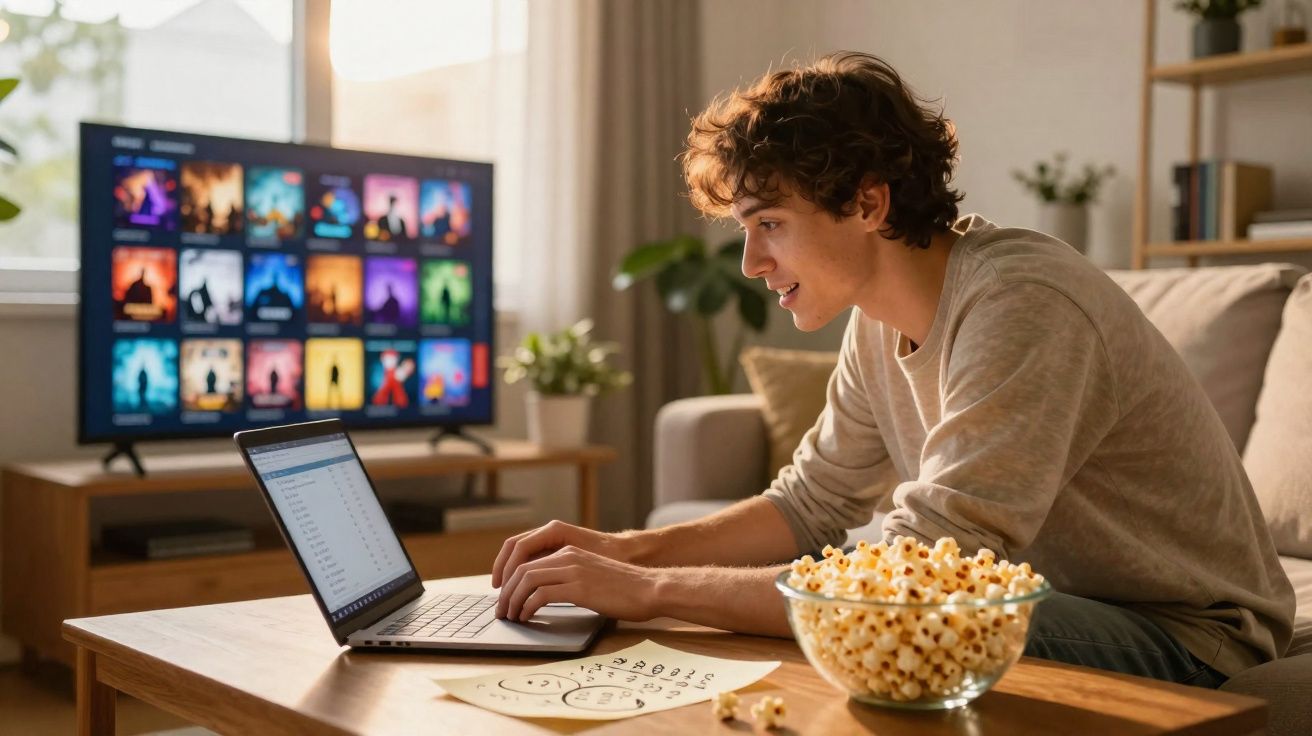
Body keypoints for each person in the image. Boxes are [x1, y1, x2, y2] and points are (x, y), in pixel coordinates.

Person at [490, 51, 1295, 688]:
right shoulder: (877, 322)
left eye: (769, 223)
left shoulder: (1022, 303)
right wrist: (625, 550)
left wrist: (652, 592)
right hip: (1058, 601)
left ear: (868, 205)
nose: (750, 261)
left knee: (899, 624)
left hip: (1189, 630)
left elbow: (912, 580)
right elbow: (810, 504)